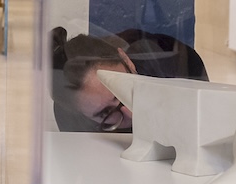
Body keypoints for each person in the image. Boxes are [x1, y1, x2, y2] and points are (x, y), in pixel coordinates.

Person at [50, 26, 208, 132]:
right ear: (81, 114)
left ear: (127, 60)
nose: (132, 113)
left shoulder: (175, 68)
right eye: (106, 113)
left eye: (127, 90)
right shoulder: (71, 118)